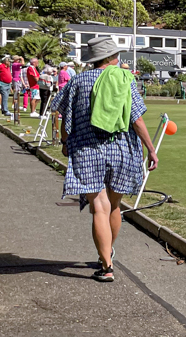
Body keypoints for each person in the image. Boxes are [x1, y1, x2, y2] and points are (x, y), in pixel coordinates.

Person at [51, 37, 158, 282]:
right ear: (112, 57)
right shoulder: (125, 79)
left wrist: (66, 142)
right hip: (121, 149)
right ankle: (106, 253)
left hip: (87, 149)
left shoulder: (77, 81)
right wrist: (151, 149)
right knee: (114, 205)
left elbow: (65, 115)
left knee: (99, 206)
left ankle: (107, 265)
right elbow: (137, 119)